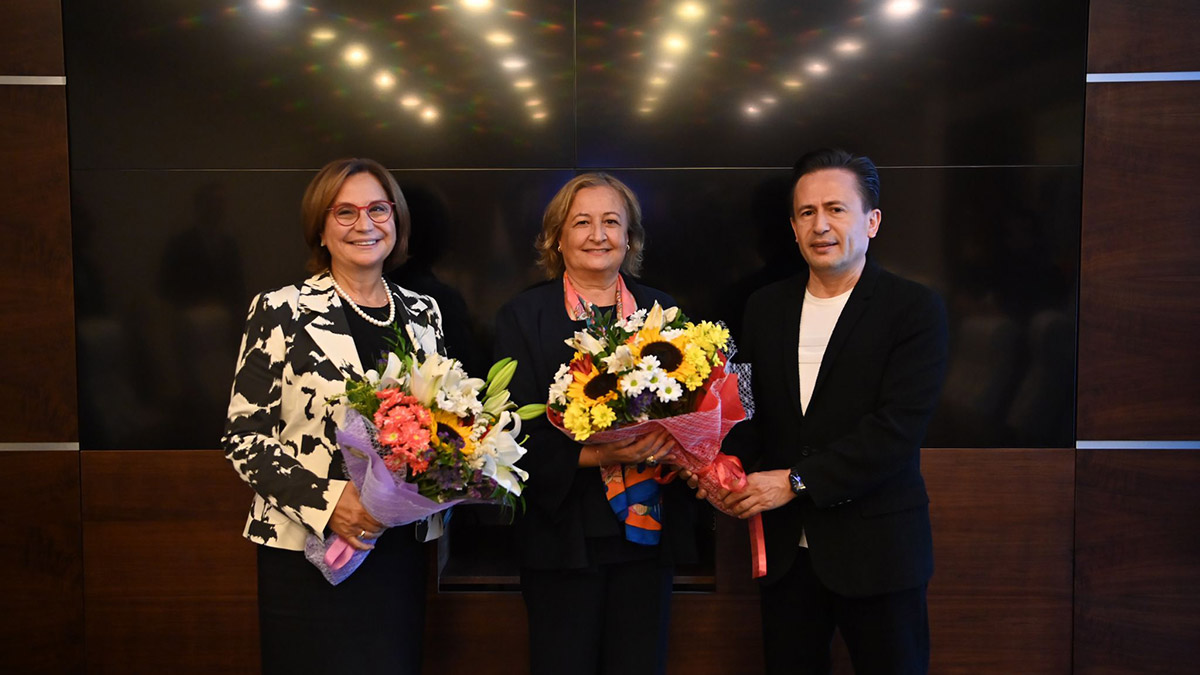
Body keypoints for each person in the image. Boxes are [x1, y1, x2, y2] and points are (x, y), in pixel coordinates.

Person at [713, 149, 948, 674]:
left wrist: (794, 481)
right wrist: (722, 467)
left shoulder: (913, 308)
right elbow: (745, 408)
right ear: (793, 229)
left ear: (872, 221)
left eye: (836, 209)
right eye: (806, 212)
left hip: (879, 550)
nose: (820, 225)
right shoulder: (763, 307)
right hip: (786, 555)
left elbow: (897, 430)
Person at [222, 158, 445, 675]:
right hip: (307, 549)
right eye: (344, 212)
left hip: (396, 549)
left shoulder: (424, 312)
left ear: (396, 221)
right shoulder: (280, 309)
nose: (364, 224)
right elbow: (243, 436)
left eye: (378, 210)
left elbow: (439, 422)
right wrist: (330, 505)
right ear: (320, 229)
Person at [493, 173, 695, 675]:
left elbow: (695, 409)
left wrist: (679, 442)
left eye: (611, 222)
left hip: (648, 535)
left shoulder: (664, 313)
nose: (598, 235)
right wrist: (602, 453)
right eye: (582, 222)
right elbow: (506, 433)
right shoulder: (523, 315)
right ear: (557, 239)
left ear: (630, 237)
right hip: (561, 535)